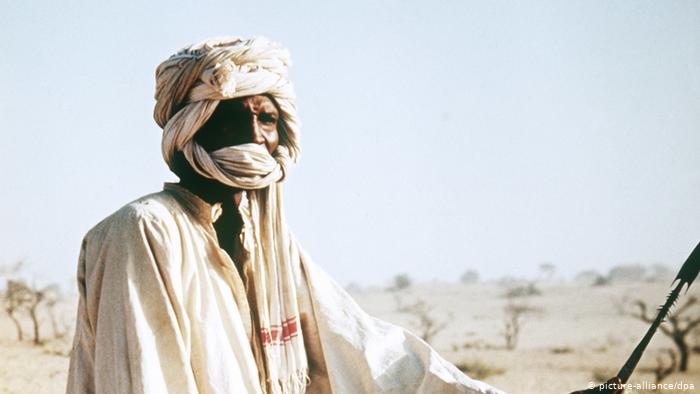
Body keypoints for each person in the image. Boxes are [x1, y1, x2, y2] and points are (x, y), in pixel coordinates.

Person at [65, 36, 607, 394]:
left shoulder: (269, 243)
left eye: (269, 121)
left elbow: (365, 351)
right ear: (192, 129)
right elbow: (142, 375)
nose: (259, 137)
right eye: (236, 119)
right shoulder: (145, 230)